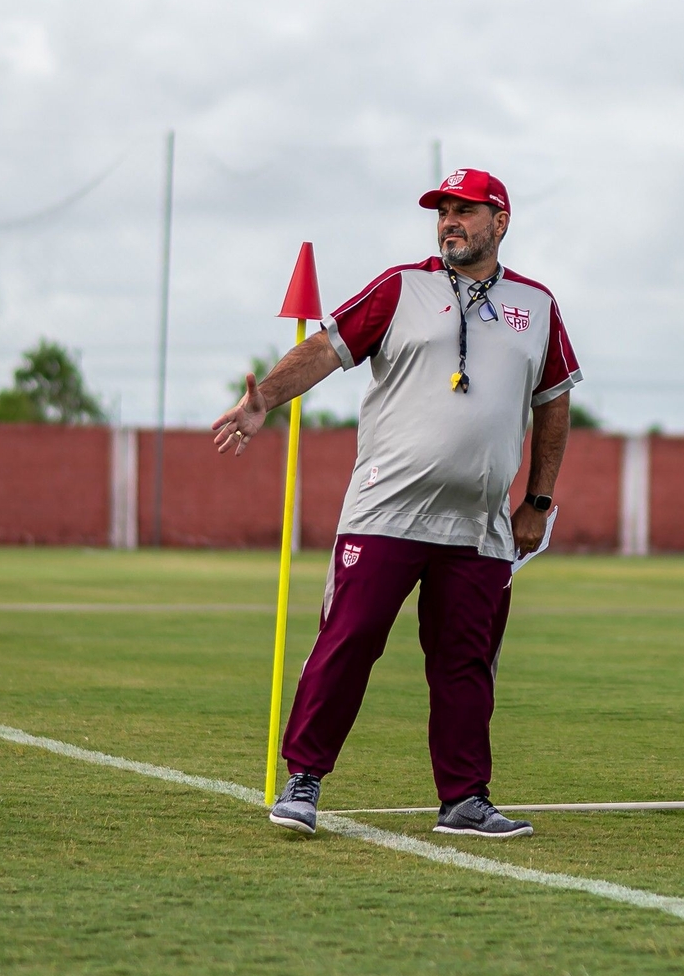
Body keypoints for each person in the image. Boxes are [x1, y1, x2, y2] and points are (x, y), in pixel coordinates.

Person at [212, 168, 580, 839]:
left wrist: (539, 499)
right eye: (442, 211)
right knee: (348, 643)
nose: (449, 221)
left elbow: (553, 405)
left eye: (464, 210)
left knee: (466, 663)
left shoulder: (539, 305)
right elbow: (327, 347)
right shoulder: (400, 287)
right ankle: (304, 781)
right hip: (387, 510)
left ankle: (465, 799)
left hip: (479, 524)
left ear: (501, 221)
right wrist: (265, 396)